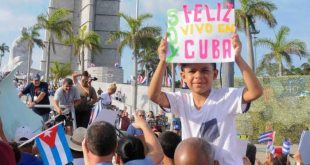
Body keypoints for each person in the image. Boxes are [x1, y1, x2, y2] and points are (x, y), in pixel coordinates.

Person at [148, 33, 263, 164]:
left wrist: (237, 57)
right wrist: (163, 60)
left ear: (214, 74)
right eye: (192, 71)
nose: (198, 76)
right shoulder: (181, 101)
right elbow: (154, 95)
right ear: (183, 76)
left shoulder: (226, 97)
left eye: (204, 70)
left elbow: (256, 91)